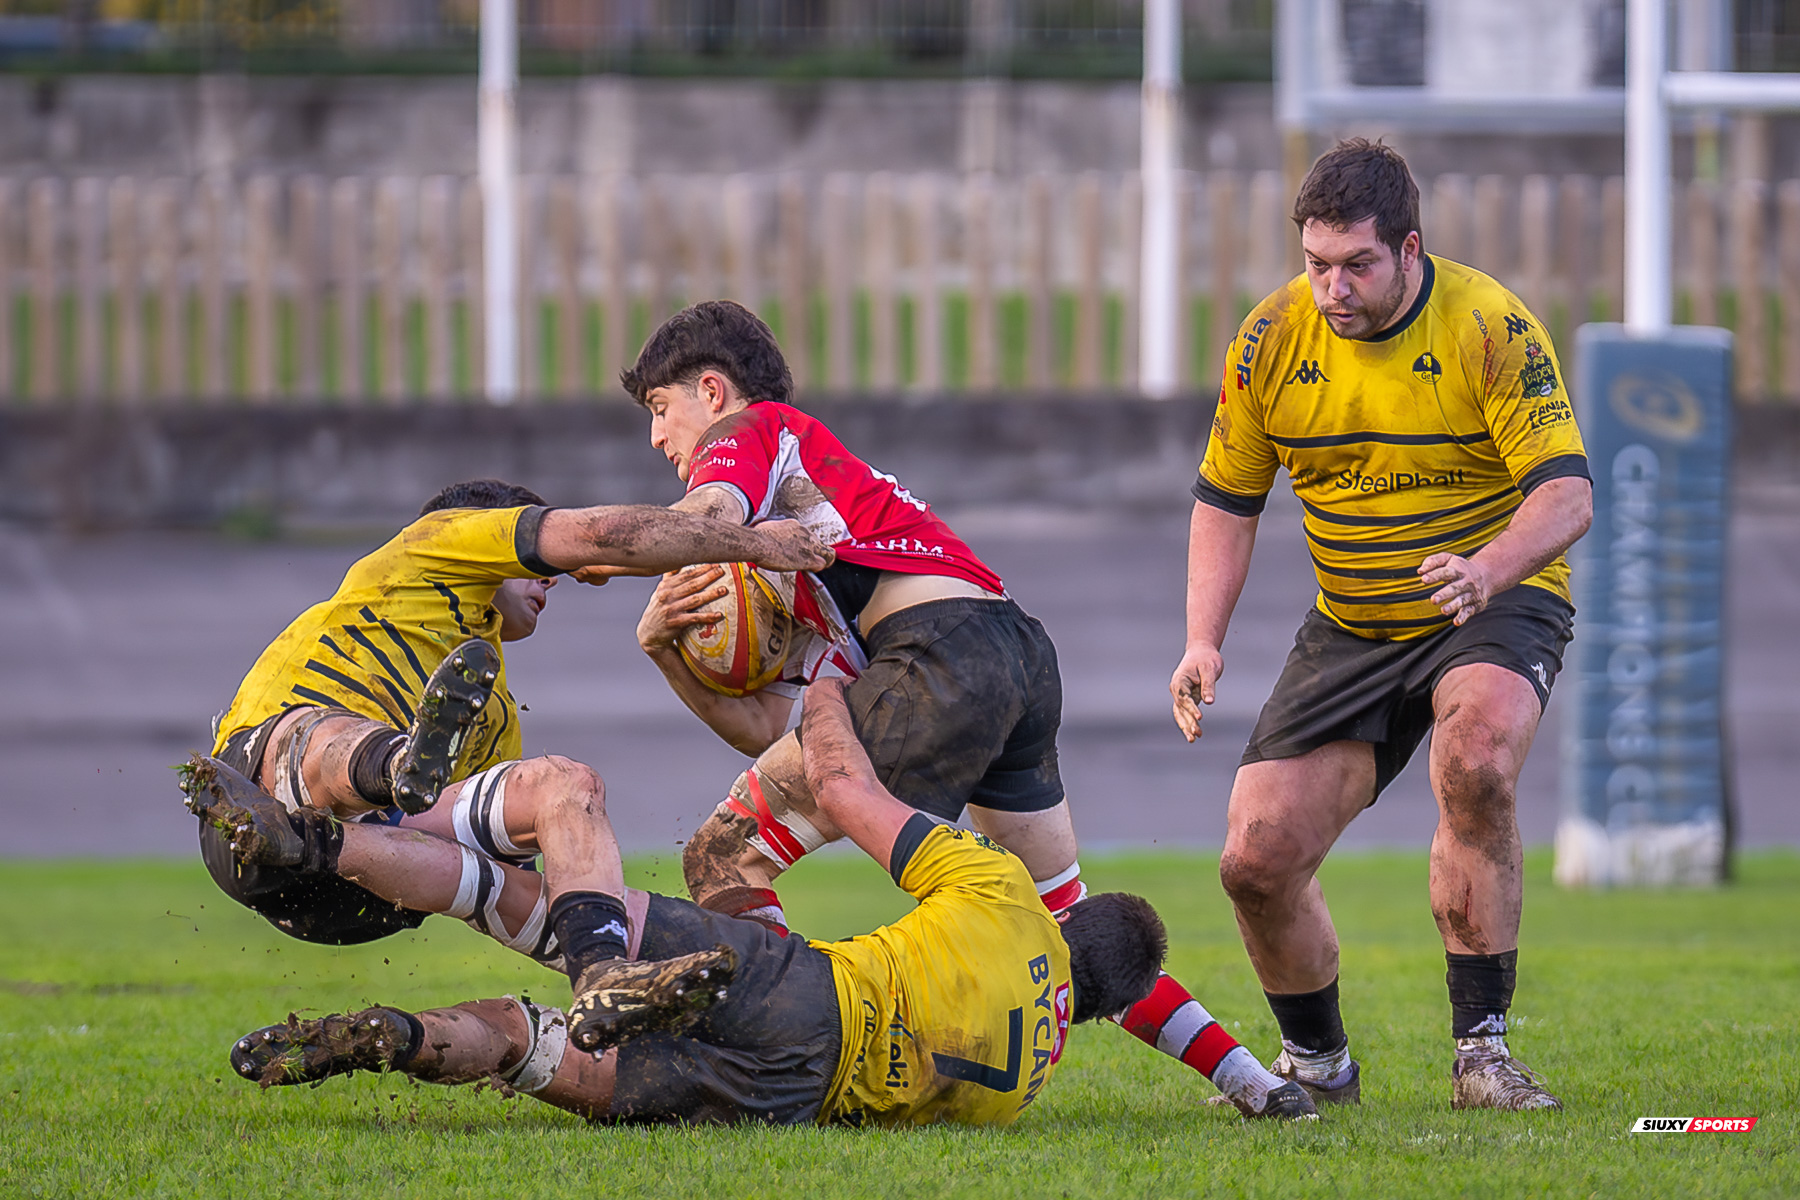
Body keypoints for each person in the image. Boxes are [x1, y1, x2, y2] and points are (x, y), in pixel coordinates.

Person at [616, 300, 1312, 1119]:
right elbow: (772, 733)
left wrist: (585, 553)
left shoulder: (757, 429)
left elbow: (699, 522)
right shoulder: (822, 536)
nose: (659, 440)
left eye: (662, 412)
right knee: (1063, 923)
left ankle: (792, 1042)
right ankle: (1257, 1085)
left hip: (939, 658)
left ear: (712, 391)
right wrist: (663, 648)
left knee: (720, 858)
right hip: (1012, 650)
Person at [226, 679, 1177, 1129]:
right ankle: (394, 1034)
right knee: (526, 1044)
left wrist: (828, 688)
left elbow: (845, 791)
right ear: (1094, 1011)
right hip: (788, 1096)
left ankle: (312, 842)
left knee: (519, 898)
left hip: (803, 990)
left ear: (1067, 921)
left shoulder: (1008, 893)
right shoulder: (1022, 1092)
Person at [1169, 139, 1593, 1111]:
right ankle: (1320, 1064)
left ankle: (1482, 1054)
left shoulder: (1491, 325)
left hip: (1490, 599)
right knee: (1255, 861)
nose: (1332, 288)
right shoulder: (1271, 337)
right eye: (1316, 263)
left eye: (1356, 264)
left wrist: (1486, 570)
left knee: (1477, 762)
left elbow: (1567, 498)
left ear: (1409, 248)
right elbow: (1228, 500)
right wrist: (1202, 638)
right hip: (1355, 621)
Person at [183, 478, 833, 999]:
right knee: (317, 736)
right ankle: (391, 765)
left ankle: (605, 974)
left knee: (563, 787)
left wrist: (666, 944)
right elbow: (599, 536)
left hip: (356, 889)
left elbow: (504, 892)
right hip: (247, 806)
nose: (550, 578)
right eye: (535, 565)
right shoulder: (432, 546)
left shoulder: (491, 714)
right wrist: (752, 543)